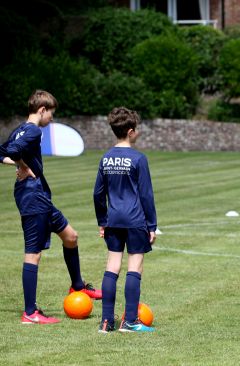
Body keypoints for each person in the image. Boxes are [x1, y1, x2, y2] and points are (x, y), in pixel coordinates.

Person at [0, 90, 101, 325]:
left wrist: (18, 164)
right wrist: (22, 165)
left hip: (40, 197)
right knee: (33, 254)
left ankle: (78, 286)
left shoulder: (19, 129)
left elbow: (2, 151)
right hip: (32, 198)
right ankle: (29, 312)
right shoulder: (33, 130)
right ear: (42, 110)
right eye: (51, 114)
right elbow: (12, 152)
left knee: (71, 236)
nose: (52, 119)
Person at [93, 107, 157, 333]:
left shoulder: (105, 158)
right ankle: (130, 321)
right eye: (137, 129)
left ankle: (106, 322)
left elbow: (98, 194)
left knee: (112, 266)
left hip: (113, 220)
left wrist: (103, 220)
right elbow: (146, 195)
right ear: (131, 131)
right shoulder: (139, 158)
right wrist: (152, 226)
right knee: (135, 267)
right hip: (135, 219)